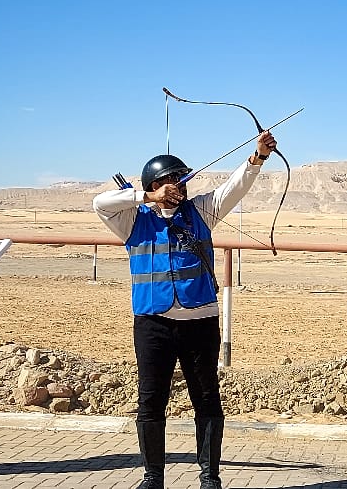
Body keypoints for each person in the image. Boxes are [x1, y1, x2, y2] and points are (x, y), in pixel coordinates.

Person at [92, 130, 276, 489]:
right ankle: (152, 477)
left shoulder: (202, 211)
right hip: (153, 325)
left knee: (206, 399)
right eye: (171, 180)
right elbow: (100, 203)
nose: (179, 184)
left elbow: (235, 187)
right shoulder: (132, 219)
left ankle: (209, 477)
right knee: (150, 402)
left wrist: (258, 157)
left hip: (200, 322)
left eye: (181, 178)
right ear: (153, 185)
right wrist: (146, 198)